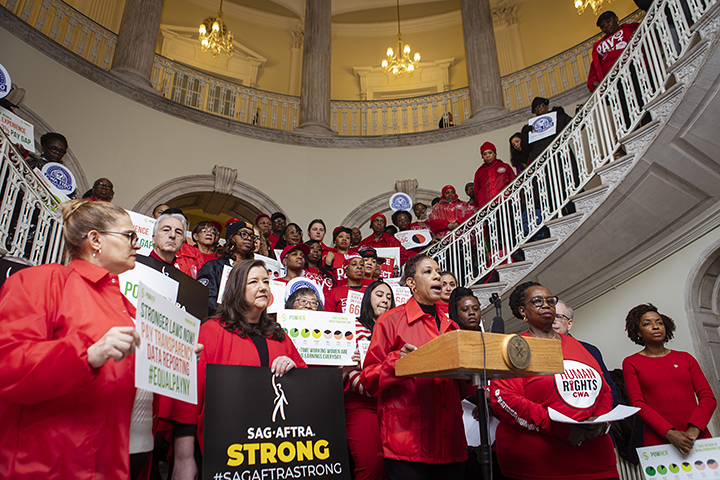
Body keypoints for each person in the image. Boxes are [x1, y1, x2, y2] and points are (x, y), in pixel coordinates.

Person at [0, 199, 141, 478]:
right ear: (95, 240)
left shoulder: (124, 306)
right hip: (48, 462)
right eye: (129, 236)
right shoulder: (43, 281)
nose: (137, 245)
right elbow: (8, 364)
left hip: (108, 460)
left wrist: (176, 359)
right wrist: (87, 355)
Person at [164, 259, 307, 480]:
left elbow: (305, 384)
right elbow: (189, 399)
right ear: (236, 288)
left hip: (272, 452)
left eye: (266, 282)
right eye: (254, 282)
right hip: (222, 451)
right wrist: (184, 459)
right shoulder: (212, 331)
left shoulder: (279, 335)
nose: (263, 287)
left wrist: (293, 367)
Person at [360, 254, 473, 480]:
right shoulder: (390, 320)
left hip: (450, 442)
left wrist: (470, 374)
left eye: (438, 271)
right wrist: (398, 362)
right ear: (411, 283)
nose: (437, 276)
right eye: (428, 271)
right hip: (407, 442)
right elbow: (368, 380)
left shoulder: (453, 328)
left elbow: (461, 391)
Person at [489, 281, 617, 480]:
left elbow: (605, 390)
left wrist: (601, 419)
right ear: (522, 311)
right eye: (537, 301)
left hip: (597, 460)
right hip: (541, 465)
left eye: (550, 300)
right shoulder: (515, 348)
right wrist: (560, 429)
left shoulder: (577, 346)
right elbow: (504, 399)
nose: (546, 305)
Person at [622, 303, 716, 454]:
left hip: (697, 437)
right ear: (638, 332)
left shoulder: (685, 358)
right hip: (660, 439)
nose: (655, 327)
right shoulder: (631, 363)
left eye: (659, 322)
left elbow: (708, 398)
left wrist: (693, 431)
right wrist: (669, 433)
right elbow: (638, 403)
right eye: (647, 324)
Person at [345, 280, 395, 480]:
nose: (385, 300)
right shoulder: (351, 327)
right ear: (367, 299)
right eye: (379, 295)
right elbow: (350, 373)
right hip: (362, 404)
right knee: (371, 467)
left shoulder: (394, 331)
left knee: (393, 467)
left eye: (389, 297)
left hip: (391, 403)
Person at [553, 300, 618, 404]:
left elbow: (608, 389)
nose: (552, 321)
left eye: (558, 316)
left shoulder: (590, 351)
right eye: (548, 317)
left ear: (569, 324)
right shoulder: (536, 353)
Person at [197, 220, 257, 315]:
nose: (249, 238)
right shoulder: (214, 267)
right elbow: (206, 299)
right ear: (231, 238)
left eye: (252, 236)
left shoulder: (256, 271)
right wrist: (230, 315)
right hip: (219, 319)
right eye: (243, 234)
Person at [587, 11, 640, 93]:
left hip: (630, 66)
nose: (606, 26)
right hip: (610, 77)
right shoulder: (599, 45)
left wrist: (638, 36)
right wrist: (593, 82)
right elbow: (594, 68)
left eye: (608, 21)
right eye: (602, 26)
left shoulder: (629, 28)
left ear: (616, 19)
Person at [150, 212, 201, 279]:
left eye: (178, 232)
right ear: (154, 238)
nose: (173, 235)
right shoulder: (139, 266)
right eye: (166, 230)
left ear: (182, 244)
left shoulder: (182, 278)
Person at [473, 142, 516, 209]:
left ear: (495, 153)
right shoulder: (479, 172)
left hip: (505, 202)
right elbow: (476, 191)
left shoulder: (505, 166)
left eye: (490, 153)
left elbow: (514, 182)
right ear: (482, 156)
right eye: (485, 154)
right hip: (487, 207)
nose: (488, 155)